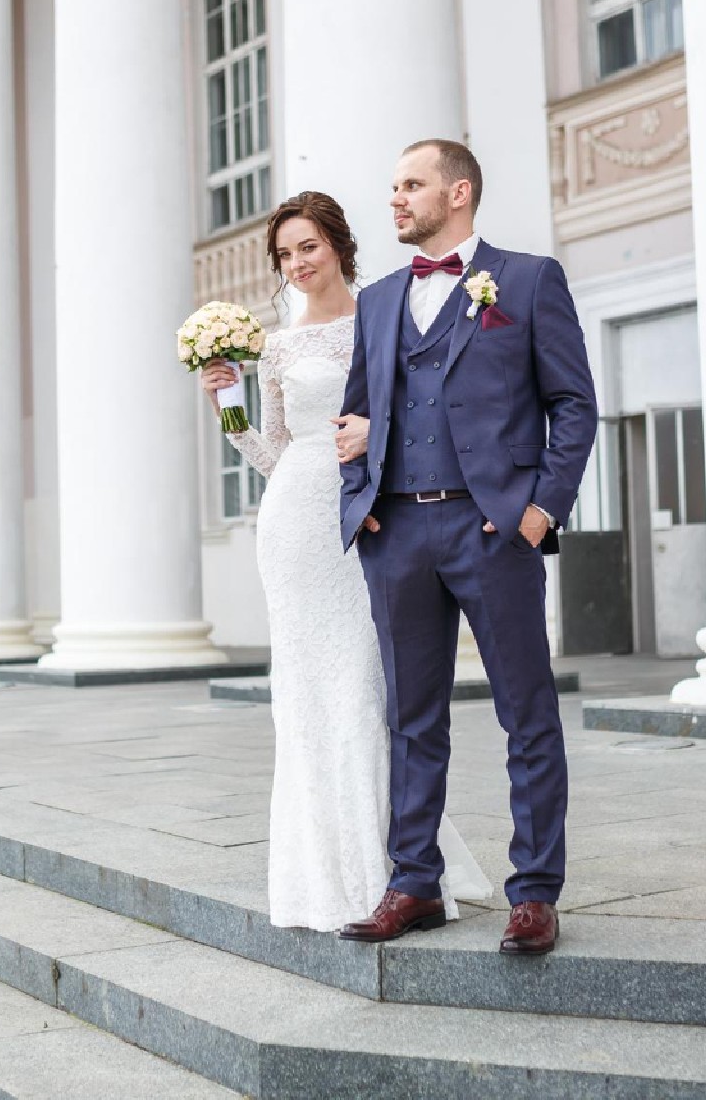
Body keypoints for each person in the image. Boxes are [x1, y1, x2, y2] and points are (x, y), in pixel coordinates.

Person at [335, 140, 598, 956]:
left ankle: (535, 893)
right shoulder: (377, 301)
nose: (396, 199)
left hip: (492, 528)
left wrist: (537, 512)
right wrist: (363, 504)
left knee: (527, 712)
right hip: (399, 532)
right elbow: (353, 418)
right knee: (411, 718)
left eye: (410, 184)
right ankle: (412, 881)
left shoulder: (524, 281)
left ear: (459, 191)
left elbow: (573, 405)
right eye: (392, 187)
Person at [202, 190, 489, 932]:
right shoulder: (275, 347)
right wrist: (226, 408)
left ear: (338, 245)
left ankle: (395, 869)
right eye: (285, 255)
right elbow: (272, 451)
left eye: (309, 247)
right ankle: (322, 875)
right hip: (294, 520)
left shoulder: (383, 320)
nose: (298, 264)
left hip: (370, 516)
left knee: (365, 688)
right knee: (304, 695)